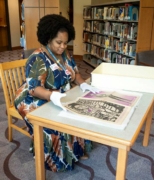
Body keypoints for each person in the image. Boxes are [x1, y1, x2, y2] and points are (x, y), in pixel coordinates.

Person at [14, 14, 99, 172]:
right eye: (58, 42)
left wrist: (84, 85)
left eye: (65, 43)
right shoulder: (37, 58)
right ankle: (53, 158)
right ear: (48, 38)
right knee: (53, 123)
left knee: (78, 111)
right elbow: (34, 88)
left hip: (57, 94)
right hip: (32, 98)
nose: (62, 47)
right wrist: (51, 96)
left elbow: (77, 74)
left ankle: (75, 151)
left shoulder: (66, 55)